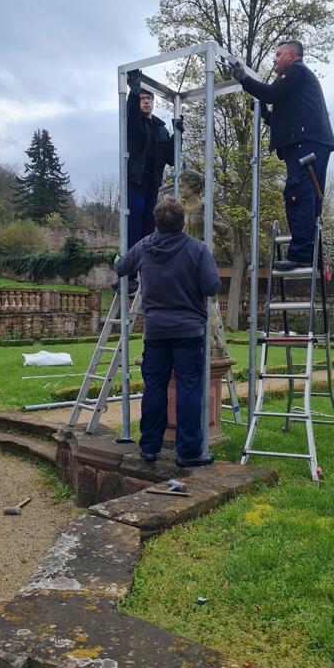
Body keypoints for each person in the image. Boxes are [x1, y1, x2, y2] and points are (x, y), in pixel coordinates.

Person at [114, 196, 220, 468]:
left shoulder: (144, 247)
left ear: (156, 223)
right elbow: (211, 286)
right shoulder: (197, 249)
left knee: (154, 388)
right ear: (183, 222)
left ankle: (149, 447)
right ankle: (188, 452)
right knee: (188, 389)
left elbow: (120, 266)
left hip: (155, 331)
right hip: (189, 331)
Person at [229, 40, 334, 269]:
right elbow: (286, 118)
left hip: (306, 145)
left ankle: (302, 254)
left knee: (299, 194)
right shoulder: (296, 84)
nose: (274, 58)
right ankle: (310, 251)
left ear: (291, 56)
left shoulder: (295, 72)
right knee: (307, 195)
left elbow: (270, 93)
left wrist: (243, 79)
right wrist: (266, 116)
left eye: (278, 54)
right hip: (309, 143)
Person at [113, 70, 183, 294]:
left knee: (147, 233)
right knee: (132, 229)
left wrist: (177, 137)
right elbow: (130, 116)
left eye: (148, 99)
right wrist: (132, 94)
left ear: (153, 103)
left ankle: (145, 274)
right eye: (142, 99)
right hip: (134, 183)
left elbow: (171, 159)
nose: (145, 102)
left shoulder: (161, 129)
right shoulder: (133, 125)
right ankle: (129, 276)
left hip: (152, 186)